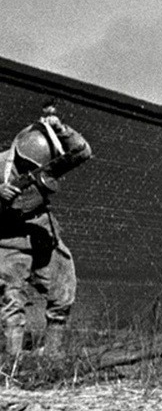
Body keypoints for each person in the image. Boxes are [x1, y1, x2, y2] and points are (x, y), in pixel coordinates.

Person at [0, 105, 93, 358]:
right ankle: (13, 366)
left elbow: (82, 152)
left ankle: (54, 358)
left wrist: (61, 130)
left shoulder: (46, 163)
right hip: (7, 240)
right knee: (12, 300)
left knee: (63, 289)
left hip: (41, 231)